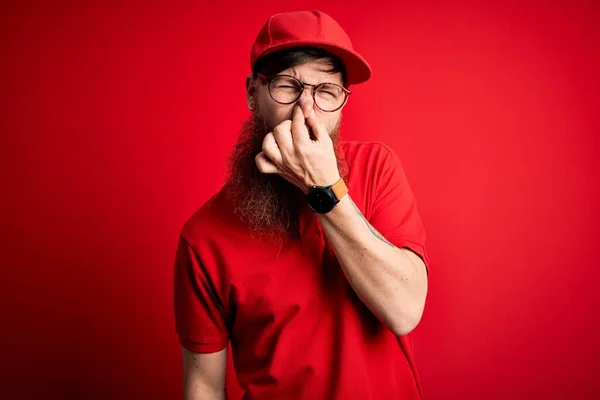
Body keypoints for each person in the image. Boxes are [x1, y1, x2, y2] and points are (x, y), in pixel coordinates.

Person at [174, 10, 430, 400]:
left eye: (326, 91)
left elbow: (404, 309)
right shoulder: (203, 237)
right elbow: (204, 385)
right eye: (288, 86)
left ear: (343, 103)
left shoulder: (379, 169)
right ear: (251, 93)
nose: (305, 108)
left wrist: (322, 189)